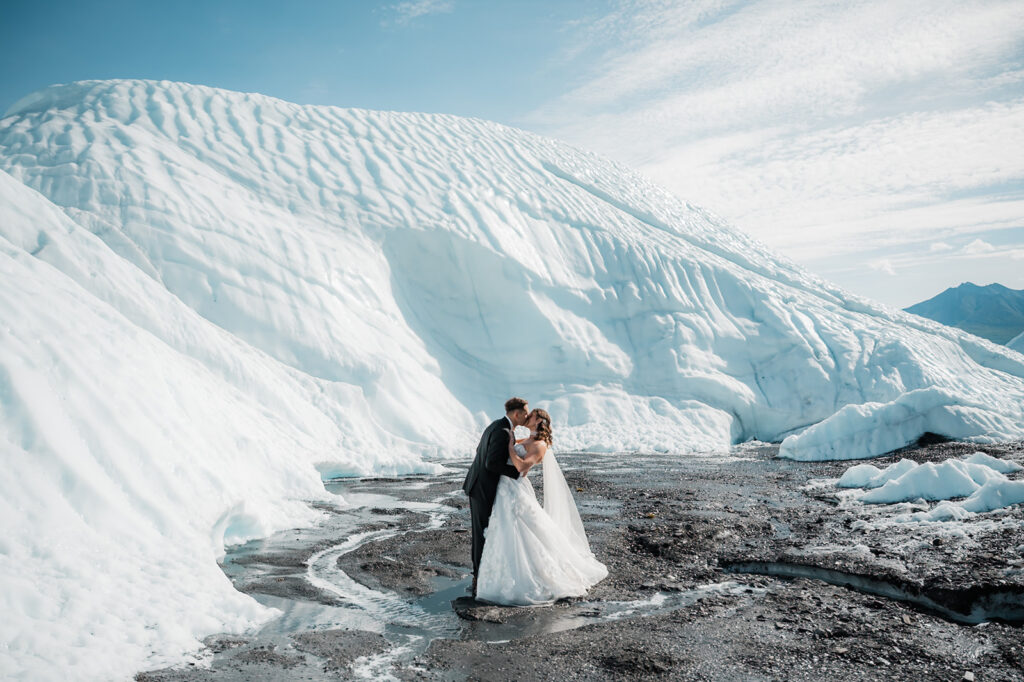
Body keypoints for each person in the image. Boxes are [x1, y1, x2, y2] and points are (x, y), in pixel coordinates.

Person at [474, 408, 608, 605]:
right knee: (504, 529)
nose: (528, 417)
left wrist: (511, 445)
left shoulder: (540, 445)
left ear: (539, 422)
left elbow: (521, 467)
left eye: (532, 415)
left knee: (520, 529)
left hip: (515, 488)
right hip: (505, 487)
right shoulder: (525, 440)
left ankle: (528, 575)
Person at [462, 397, 529, 597]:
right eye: (525, 413)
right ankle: (479, 579)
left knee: (481, 533)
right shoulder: (502, 431)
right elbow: (492, 463)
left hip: (478, 485)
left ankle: (481, 576)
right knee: (482, 534)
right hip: (482, 488)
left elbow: (481, 452)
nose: (527, 416)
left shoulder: (496, 425)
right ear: (516, 414)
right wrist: (517, 473)